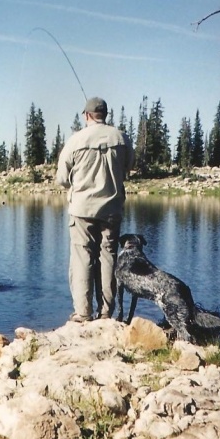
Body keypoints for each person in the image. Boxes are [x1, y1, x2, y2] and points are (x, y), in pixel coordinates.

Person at [56, 97, 134, 322]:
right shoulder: (121, 138)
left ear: (87, 115)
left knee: (82, 258)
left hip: (81, 210)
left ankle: (83, 313)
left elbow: (62, 178)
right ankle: (106, 313)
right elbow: (130, 165)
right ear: (105, 115)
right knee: (108, 257)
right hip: (112, 209)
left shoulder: (75, 140)